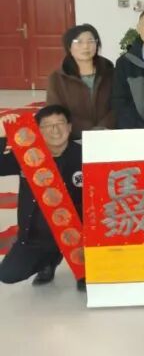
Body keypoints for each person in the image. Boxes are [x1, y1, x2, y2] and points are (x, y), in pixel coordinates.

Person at [0, 105, 84, 289]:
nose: (55, 130)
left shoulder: (85, 155)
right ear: (38, 130)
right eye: (47, 125)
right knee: (8, 274)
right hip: (36, 236)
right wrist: (1, 135)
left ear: (70, 127)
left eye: (60, 123)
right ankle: (49, 260)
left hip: (78, 236)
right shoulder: (28, 155)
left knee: (88, 280)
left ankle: (82, 268)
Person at [46, 24, 115, 139]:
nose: (86, 46)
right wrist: (87, 131)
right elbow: (55, 111)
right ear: (69, 47)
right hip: (74, 137)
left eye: (91, 41)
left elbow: (118, 105)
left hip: (108, 135)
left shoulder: (111, 73)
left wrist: (103, 128)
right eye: (79, 42)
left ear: (97, 45)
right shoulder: (57, 78)